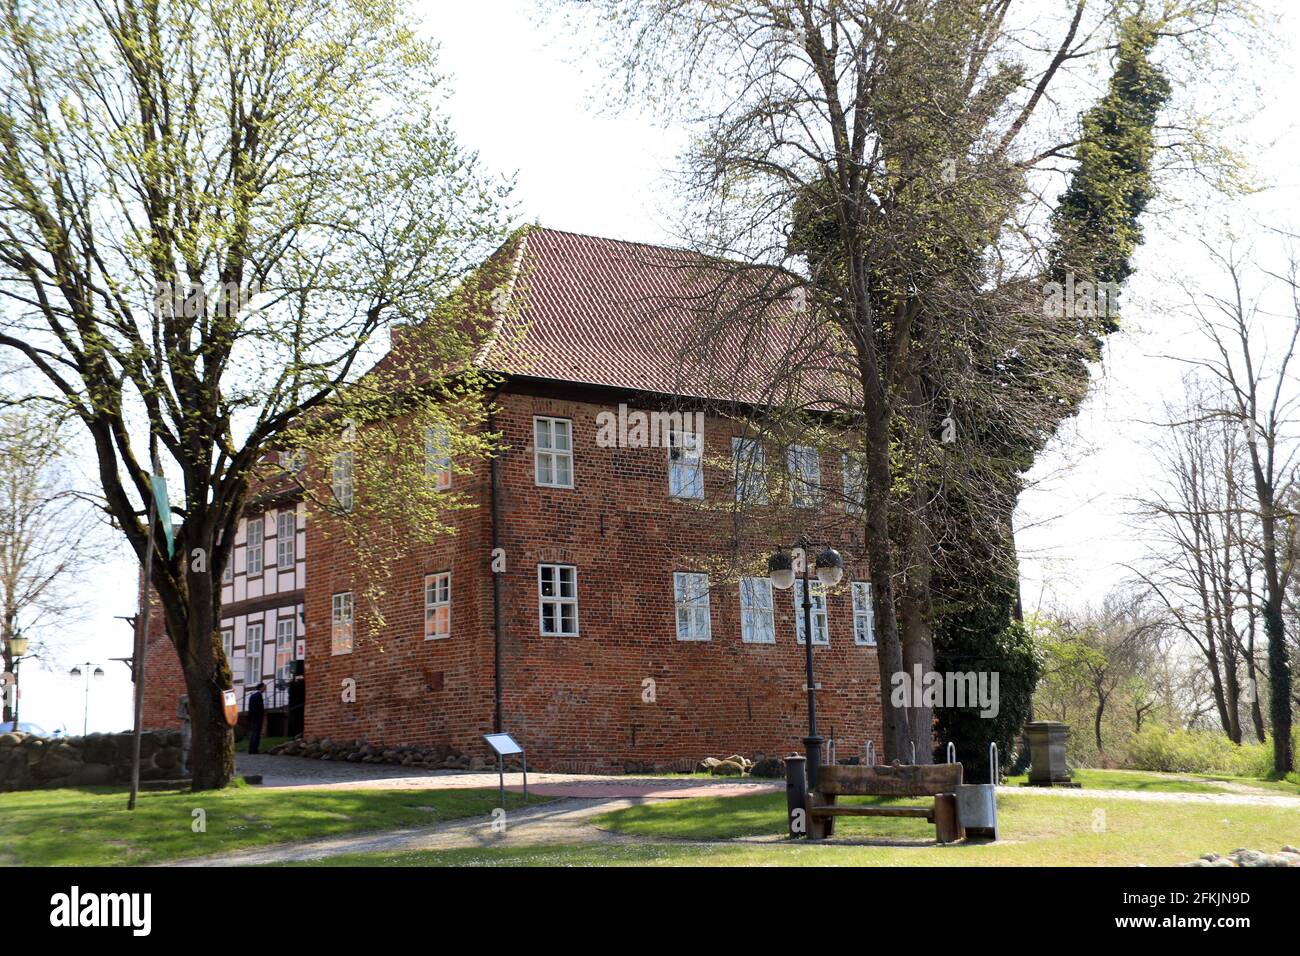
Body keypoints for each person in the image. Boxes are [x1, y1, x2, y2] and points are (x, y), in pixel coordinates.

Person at [246, 682, 265, 755]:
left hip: (252, 718)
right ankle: (254, 750)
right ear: (261, 688)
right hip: (257, 718)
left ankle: (251, 749)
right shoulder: (258, 696)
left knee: (253, 733)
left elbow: (250, 708)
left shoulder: (252, 696)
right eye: (264, 687)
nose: (265, 689)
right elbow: (259, 708)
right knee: (256, 734)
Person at [176, 694, 191, 774]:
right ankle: (183, 768)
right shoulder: (183, 698)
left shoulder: (202, 696)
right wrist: (186, 716)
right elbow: (178, 713)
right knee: (186, 746)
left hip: (199, 725)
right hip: (188, 725)